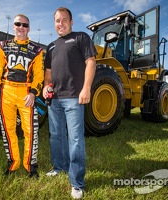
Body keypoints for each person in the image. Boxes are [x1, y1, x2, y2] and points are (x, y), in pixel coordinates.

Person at [43, 7, 97, 199]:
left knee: (75, 139)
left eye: (65, 20)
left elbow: (91, 62)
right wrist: (45, 86)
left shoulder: (81, 38)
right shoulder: (50, 46)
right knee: (56, 136)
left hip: (74, 96)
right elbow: (48, 73)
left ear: (71, 21)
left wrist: (86, 88)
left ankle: (76, 183)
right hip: (54, 99)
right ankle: (59, 167)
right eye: (58, 20)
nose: (61, 23)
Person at [0, 14, 44, 178]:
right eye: (18, 24)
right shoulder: (3, 46)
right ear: (13, 26)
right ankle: (13, 164)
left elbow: (39, 75)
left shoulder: (37, 50)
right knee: (8, 130)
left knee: (31, 132)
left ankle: (31, 166)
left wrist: (34, 92)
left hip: (26, 92)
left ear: (29, 28)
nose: (21, 27)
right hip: (6, 92)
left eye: (25, 25)